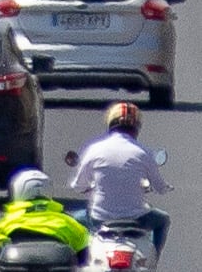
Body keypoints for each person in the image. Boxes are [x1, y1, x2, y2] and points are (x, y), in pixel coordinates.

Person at [68, 101, 171, 256]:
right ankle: (153, 258)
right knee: (163, 220)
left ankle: (82, 262)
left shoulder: (95, 150)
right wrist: (167, 187)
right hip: (137, 218)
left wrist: (88, 186)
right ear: (136, 127)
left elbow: (78, 186)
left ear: (111, 124)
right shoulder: (143, 152)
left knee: (72, 221)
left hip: (99, 218)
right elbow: (160, 187)